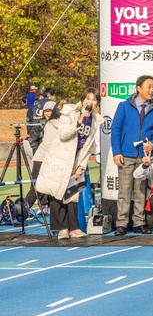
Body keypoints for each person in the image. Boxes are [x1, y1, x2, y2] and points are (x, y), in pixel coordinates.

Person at [34, 91, 101, 238]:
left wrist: (81, 166)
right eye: (88, 99)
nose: (90, 102)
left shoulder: (96, 120)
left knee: (72, 192)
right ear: (82, 100)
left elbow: (89, 147)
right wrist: (79, 122)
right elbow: (63, 135)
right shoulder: (69, 112)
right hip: (61, 156)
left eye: (94, 100)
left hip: (76, 159)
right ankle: (61, 228)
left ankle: (74, 227)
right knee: (57, 190)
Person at [110, 75, 153, 235]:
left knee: (141, 191)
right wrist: (117, 152)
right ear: (139, 88)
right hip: (126, 155)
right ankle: (121, 223)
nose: (151, 90)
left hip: (144, 157)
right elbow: (116, 129)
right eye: (148, 86)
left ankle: (139, 223)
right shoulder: (124, 106)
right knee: (124, 191)